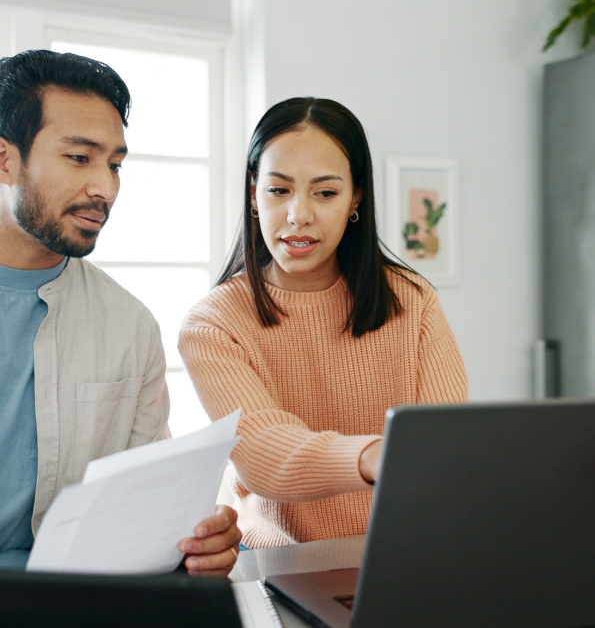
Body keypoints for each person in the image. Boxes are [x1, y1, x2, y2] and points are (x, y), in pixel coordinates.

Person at [179, 97, 468, 549]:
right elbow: (264, 455)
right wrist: (375, 455)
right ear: (254, 193)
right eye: (278, 190)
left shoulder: (413, 301)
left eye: (325, 192)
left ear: (356, 197)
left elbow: (444, 446)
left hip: (408, 554)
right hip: (279, 567)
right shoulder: (213, 325)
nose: (299, 215)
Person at [0, 50, 241, 573]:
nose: (104, 188)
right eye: (79, 158)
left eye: (114, 165)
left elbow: (148, 512)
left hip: (77, 605)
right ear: (5, 160)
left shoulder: (129, 326)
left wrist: (193, 543)